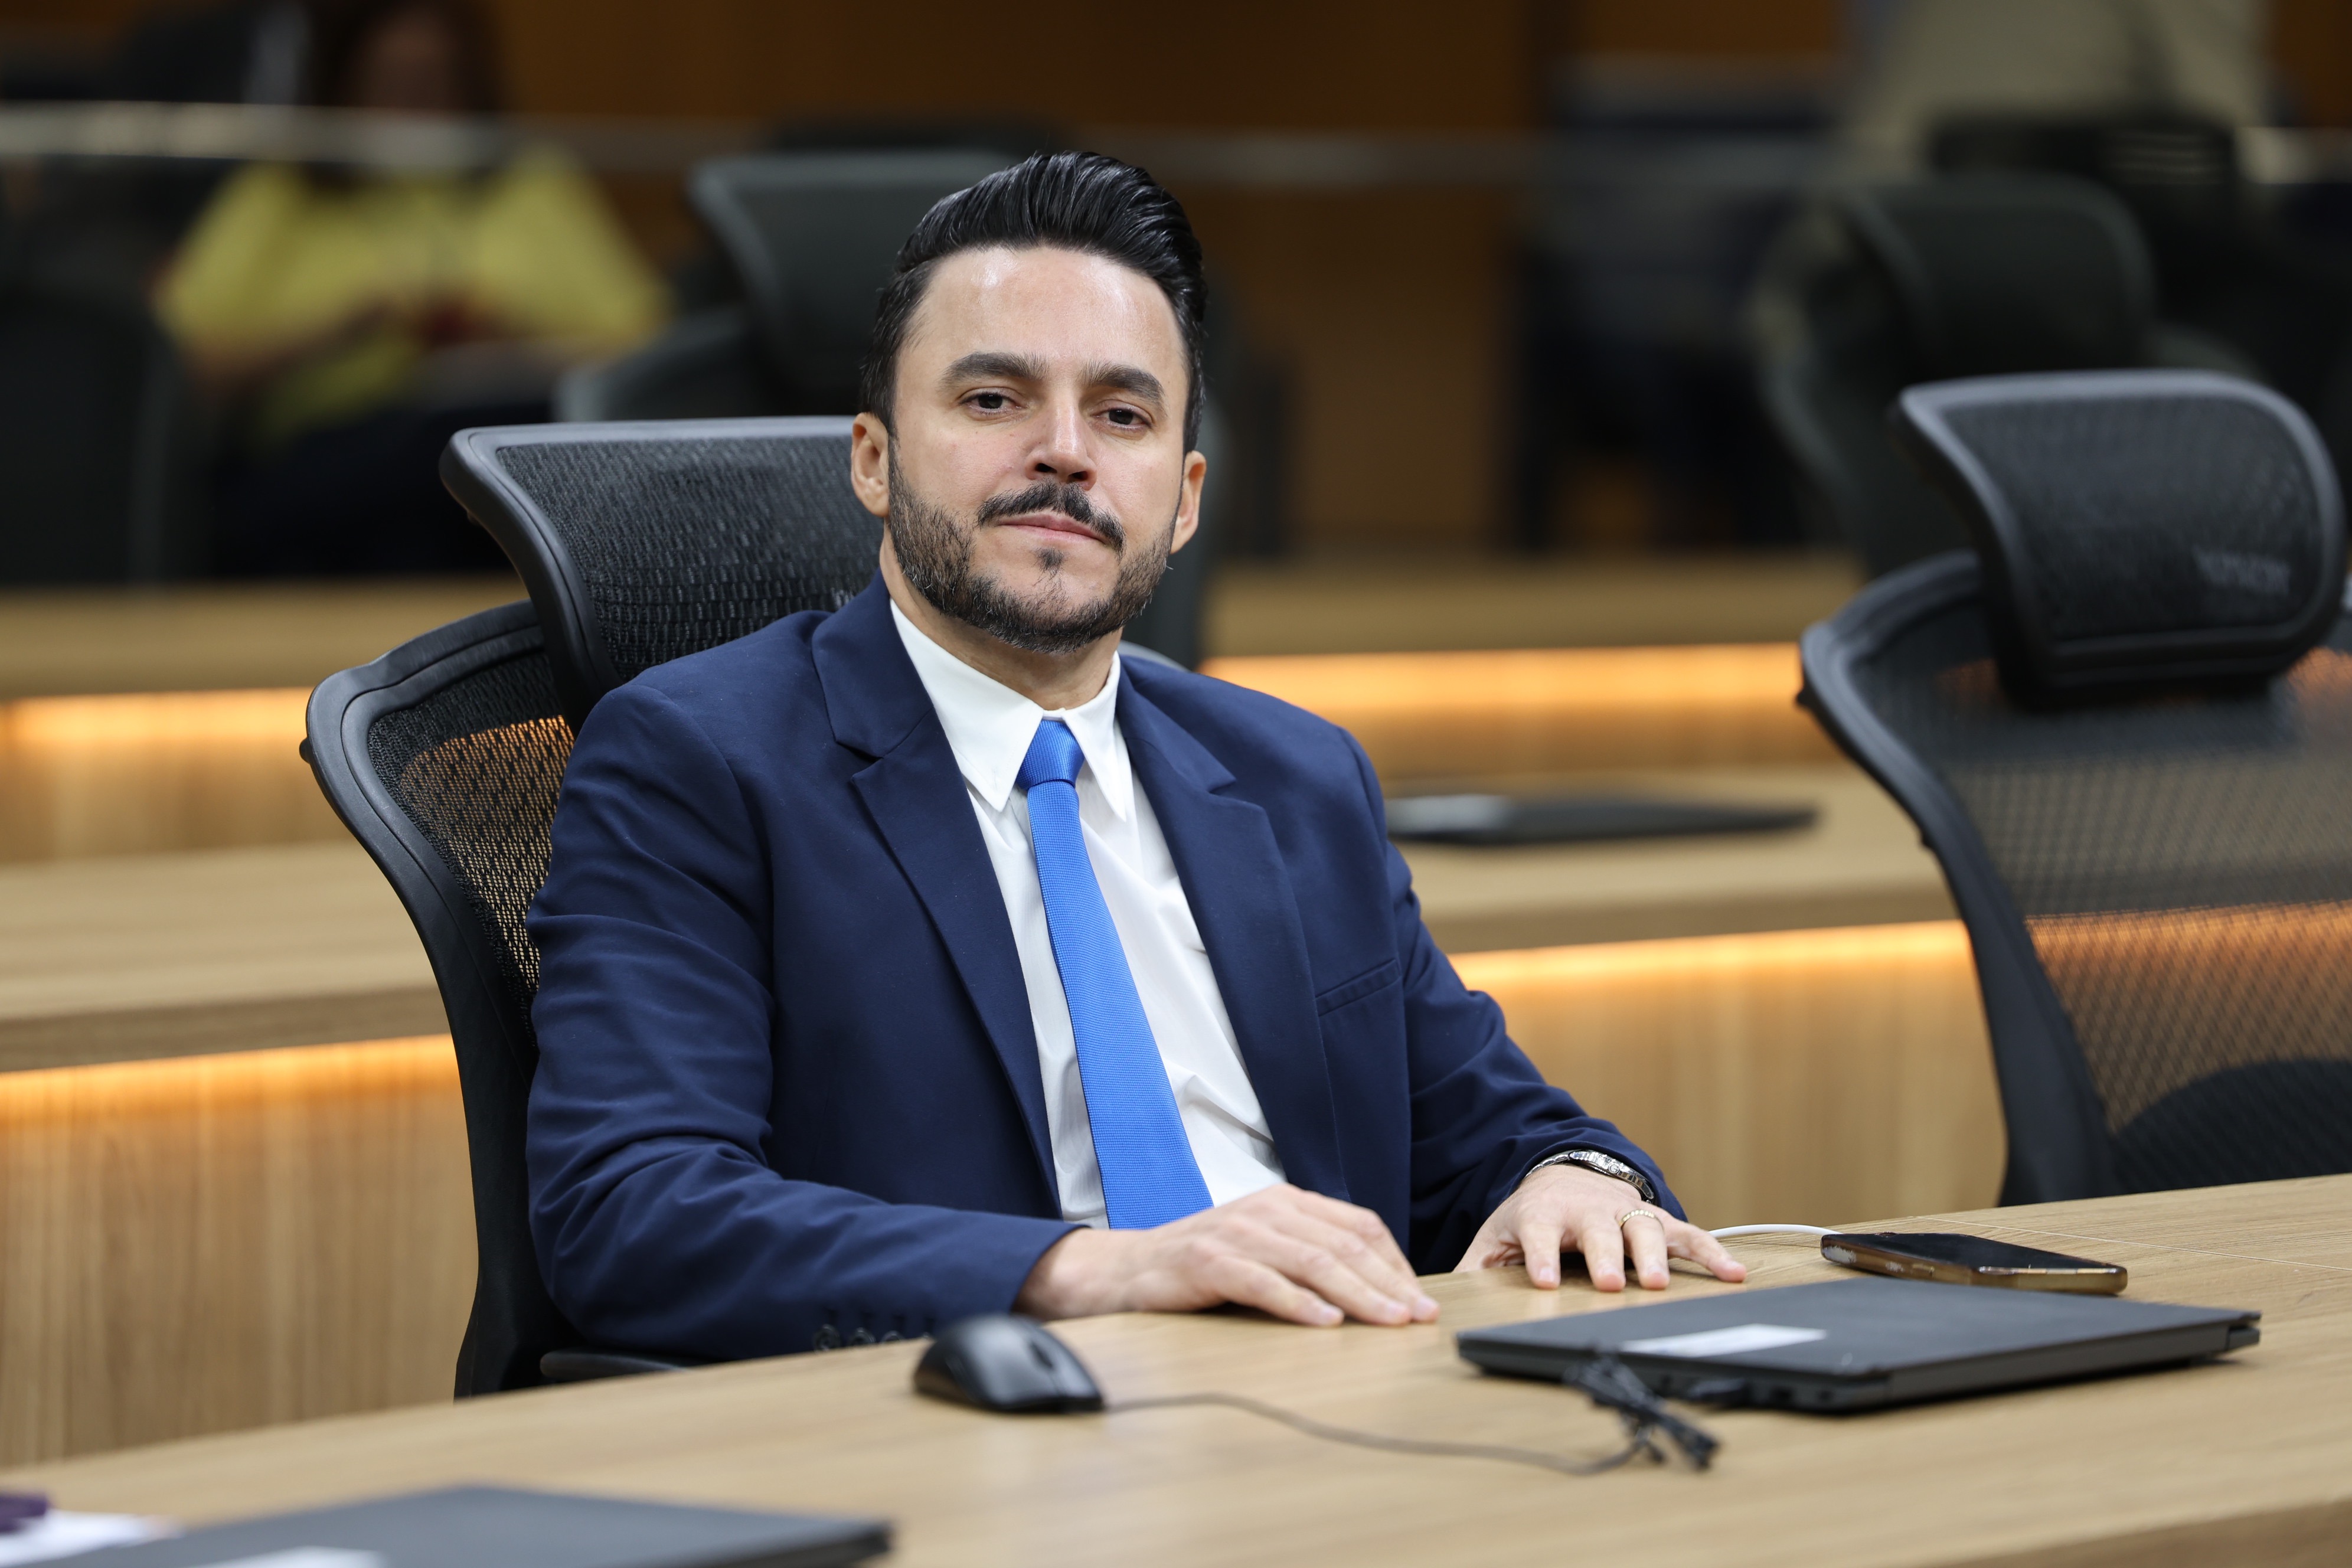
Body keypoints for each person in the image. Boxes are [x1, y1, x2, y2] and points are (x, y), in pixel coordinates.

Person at [525, 152, 1745, 1360]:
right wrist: (1097, 1270)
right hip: (973, 1420)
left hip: (1341, 1405)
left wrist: (1571, 1177)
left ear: (1187, 497)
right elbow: (635, 1211)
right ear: (874, 460)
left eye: (1122, 415)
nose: (1065, 451)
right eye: (994, 400)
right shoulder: (698, 761)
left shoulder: (1295, 775)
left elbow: (1494, 1125)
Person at [154, 0, 667, 573]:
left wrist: (515, 340)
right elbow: (176, 366)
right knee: (443, 466)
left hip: (511, 441)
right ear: (343, 83)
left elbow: (650, 354)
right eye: (390, 80)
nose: (414, 102)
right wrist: (338, 331)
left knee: (494, 464)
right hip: (328, 458)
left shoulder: (530, 179)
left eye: (435, 79)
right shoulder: (284, 190)